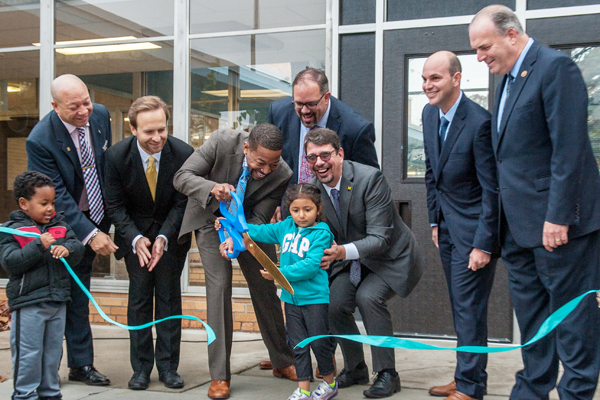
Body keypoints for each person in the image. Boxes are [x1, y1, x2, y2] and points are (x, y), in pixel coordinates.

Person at [469, 5, 600, 400]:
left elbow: (569, 149)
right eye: (475, 50)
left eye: (484, 46)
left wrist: (558, 216)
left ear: (512, 34)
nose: (479, 57)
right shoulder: (504, 81)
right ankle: (532, 390)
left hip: (560, 229)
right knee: (533, 323)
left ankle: (575, 393)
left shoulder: (555, 68)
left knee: (573, 322)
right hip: (518, 231)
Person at [173, 123, 296, 399]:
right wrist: (212, 187)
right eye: (260, 162)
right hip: (210, 219)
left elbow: (262, 217)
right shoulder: (220, 141)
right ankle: (219, 375)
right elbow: (182, 176)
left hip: (249, 226)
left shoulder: (282, 174)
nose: (265, 171)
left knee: (266, 286)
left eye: (272, 164)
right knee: (219, 289)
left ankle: (282, 360)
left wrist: (238, 239)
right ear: (246, 148)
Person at [304, 128, 424, 399]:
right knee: (334, 303)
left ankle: (388, 374)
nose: (319, 163)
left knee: (368, 297)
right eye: (312, 158)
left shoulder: (370, 179)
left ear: (340, 154)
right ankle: (356, 366)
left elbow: (381, 238)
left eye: (325, 155)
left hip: (390, 257)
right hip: (351, 259)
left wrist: (339, 252)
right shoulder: (312, 190)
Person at [25, 74, 117, 386]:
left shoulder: (101, 114)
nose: (83, 111)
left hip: (101, 212)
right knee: (74, 293)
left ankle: (77, 363)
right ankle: (79, 365)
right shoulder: (40, 140)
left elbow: (106, 166)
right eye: (74, 106)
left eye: (86, 102)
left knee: (81, 292)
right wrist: (90, 234)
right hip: (67, 223)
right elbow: (58, 195)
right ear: (55, 106)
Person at [421, 51, 498, 400]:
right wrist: (434, 220)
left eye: (435, 78)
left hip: (474, 232)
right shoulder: (427, 114)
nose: (427, 85)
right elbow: (431, 174)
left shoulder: (481, 122)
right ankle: (466, 376)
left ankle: (469, 387)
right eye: (424, 79)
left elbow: (492, 189)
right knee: (461, 308)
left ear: (456, 79)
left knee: (469, 309)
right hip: (447, 229)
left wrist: (484, 243)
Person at [103, 96, 193, 390]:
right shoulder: (116, 156)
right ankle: (140, 369)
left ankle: (168, 368)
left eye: (162, 130)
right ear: (133, 129)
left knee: (168, 299)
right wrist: (136, 238)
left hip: (171, 236)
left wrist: (164, 237)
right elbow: (114, 206)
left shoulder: (183, 153)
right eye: (148, 132)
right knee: (139, 300)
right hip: (135, 237)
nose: (157, 138)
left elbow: (183, 203)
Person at [217, 183, 337, 400]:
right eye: (296, 210)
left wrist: (279, 274)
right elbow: (261, 231)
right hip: (291, 299)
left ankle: (329, 384)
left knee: (319, 343)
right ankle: (304, 389)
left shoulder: (321, 233)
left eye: (307, 210)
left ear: (318, 209)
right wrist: (231, 224)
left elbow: (311, 265)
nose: (301, 215)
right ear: (289, 210)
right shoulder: (286, 226)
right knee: (298, 346)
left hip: (315, 299)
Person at [0, 171, 85, 400]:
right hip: (29, 304)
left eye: (53, 203)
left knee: (52, 354)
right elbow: (10, 262)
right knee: (28, 354)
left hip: (57, 301)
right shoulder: (12, 230)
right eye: (44, 203)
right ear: (24, 203)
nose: (50, 208)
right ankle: (25, 395)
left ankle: (50, 393)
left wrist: (68, 249)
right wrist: (38, 245)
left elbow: (78, 248)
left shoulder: (60, 226)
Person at [268, 67, 379, 186]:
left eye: (311, 104)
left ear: (326, 98)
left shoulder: (355, 129)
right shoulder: (278, 113)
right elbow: (271, 161)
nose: (305, 111)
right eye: (299, 104)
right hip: (289, 201)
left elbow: (370, 181)